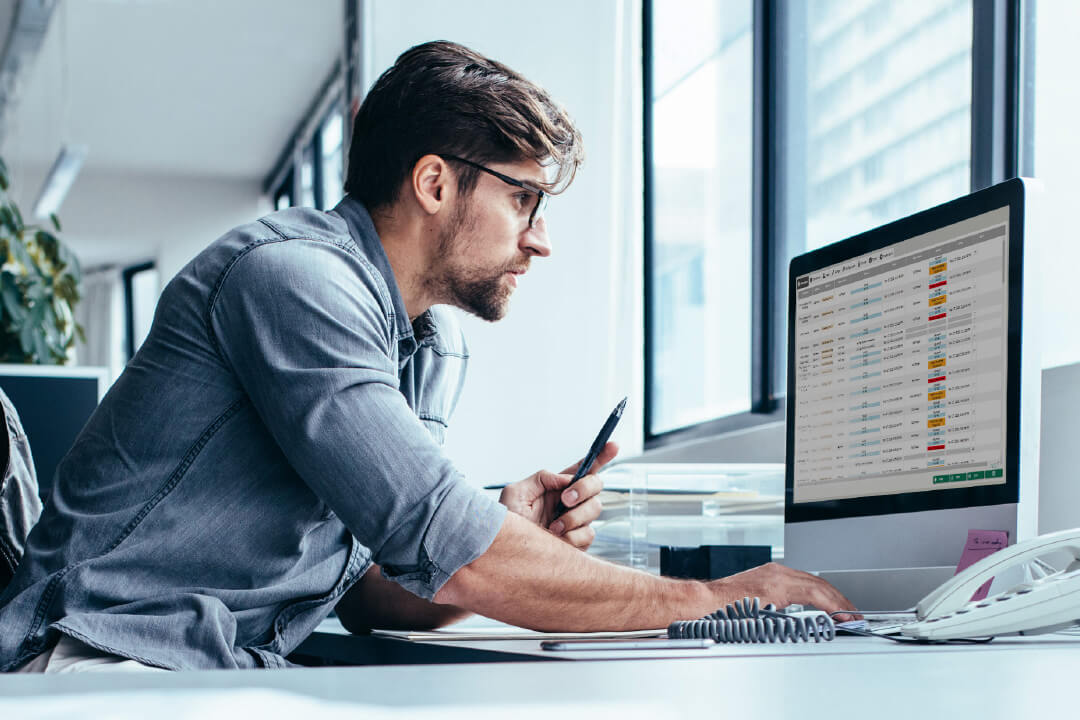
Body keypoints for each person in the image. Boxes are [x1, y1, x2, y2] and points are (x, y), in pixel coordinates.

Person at [0, 41, 852, 672]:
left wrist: (509, 532)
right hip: (93, 659)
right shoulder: (293, 282)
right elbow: (457, 551)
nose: (541, 241)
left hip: (212, 666)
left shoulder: (428, 343)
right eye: (523, 198)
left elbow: (374, 596)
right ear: (436, 184)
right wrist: (712, 600)